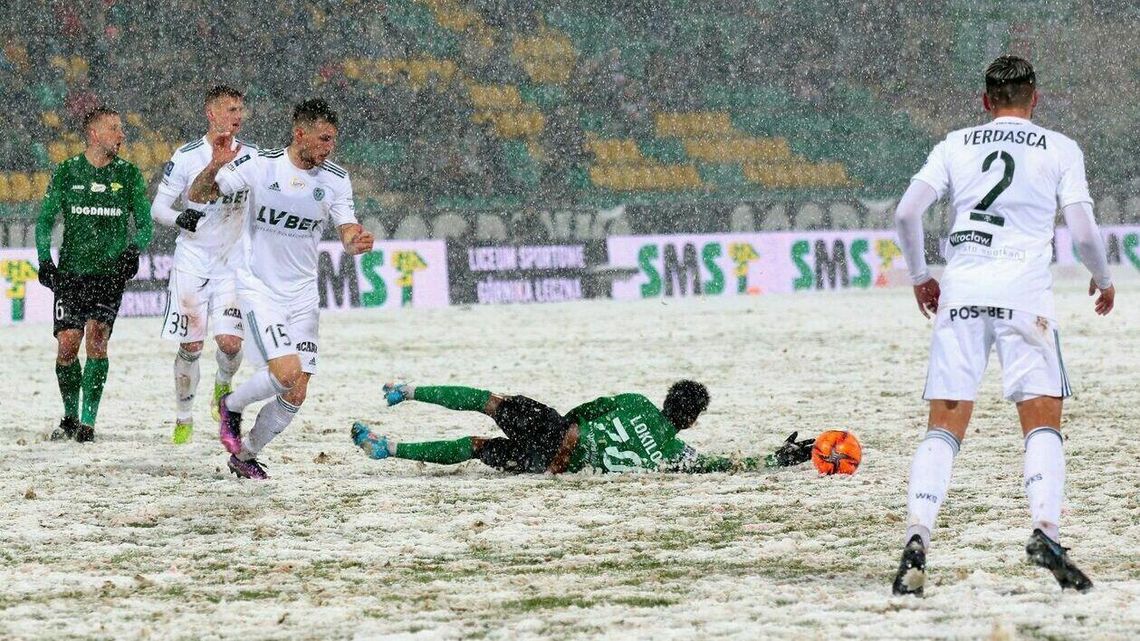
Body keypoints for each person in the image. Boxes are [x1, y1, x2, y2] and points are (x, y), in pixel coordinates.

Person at [891, 56, 1114, 596]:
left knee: (944, 425)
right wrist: (1103, 277)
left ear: (986, 101)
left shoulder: (955, 144)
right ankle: (1045, 530)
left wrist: (920, 276)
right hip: (1024, 296)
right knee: (1041, 420)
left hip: (963, 292)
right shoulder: (1060, 148)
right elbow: (1083, 231)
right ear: (1034, 98)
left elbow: (905, 213)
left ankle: (918, 536)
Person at [187, 98, 374, 480]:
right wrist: (215, 165)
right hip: (260, 289)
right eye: (323, 139)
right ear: (299, 133)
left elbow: (346, 228)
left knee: (296, 391)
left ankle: (245, 455)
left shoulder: (336, 179)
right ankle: (231, 405)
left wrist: (355, 241)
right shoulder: (261, 165)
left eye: (333, 140)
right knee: (286, 373)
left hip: (303, 296)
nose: (329, 147)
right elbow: (199, 195)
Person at [350, 381, 816, 474]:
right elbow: (726, 466)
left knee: (491, 403)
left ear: (666, 399)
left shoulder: (634, 403)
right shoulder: (678, 457)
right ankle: (388, 448)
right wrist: (779, 458)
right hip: (558, 464)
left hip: (557, 433)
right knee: (476, 446)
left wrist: (557, 428)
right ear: (691, 421)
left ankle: (407, 391)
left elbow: (585, 411)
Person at [36, 106, 154, 442]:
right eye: (114, 128)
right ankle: (70, 417)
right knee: (67, 346)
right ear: (94, 134)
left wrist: (133, 250)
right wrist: (45, 260)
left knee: (97, 338)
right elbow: (45, 221)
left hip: (108, 274)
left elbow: (145, 225)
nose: (121, 135)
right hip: (72, 273)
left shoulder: (129, 175)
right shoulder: (67, 171)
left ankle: (88, 423)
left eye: (121, 128)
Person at [151, 85, 254, 444]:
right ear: (211, 114)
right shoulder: (186, 156)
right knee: (191, 347)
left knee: (230, 343)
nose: (237, 116)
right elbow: (158, 208)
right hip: (193, 262)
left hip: (233, 264)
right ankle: (183, 417)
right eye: (230, 109)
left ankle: (223, 384)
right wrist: (180, 218)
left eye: (240, 109)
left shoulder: (252, 156)